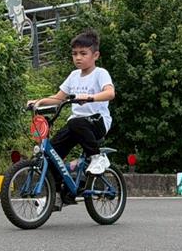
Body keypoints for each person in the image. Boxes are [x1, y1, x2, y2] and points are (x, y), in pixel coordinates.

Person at [26, 30, 116, 202]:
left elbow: (110, 93)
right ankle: (58, 195)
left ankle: (97, 157)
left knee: (76, 122)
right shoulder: (74, 76)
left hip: (97, 122)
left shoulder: (100, 73)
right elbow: (58, 98)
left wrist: (90, 97)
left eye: (83, 53)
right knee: (50, 154)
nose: (78, 58)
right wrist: (38, 101)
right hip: (76, 126)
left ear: (95, 55)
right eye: (75, 54)